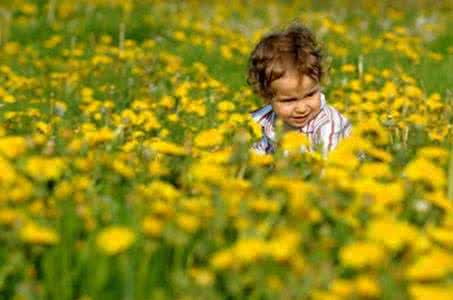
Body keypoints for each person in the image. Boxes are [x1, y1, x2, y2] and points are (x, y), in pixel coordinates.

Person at [247, 22, 352, 157]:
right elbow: (253, 155)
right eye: (289, 100)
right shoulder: (262, 121)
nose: (302, 108)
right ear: (266, 96)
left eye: (310, 95)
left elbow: (329, 169)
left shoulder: (328, 126)